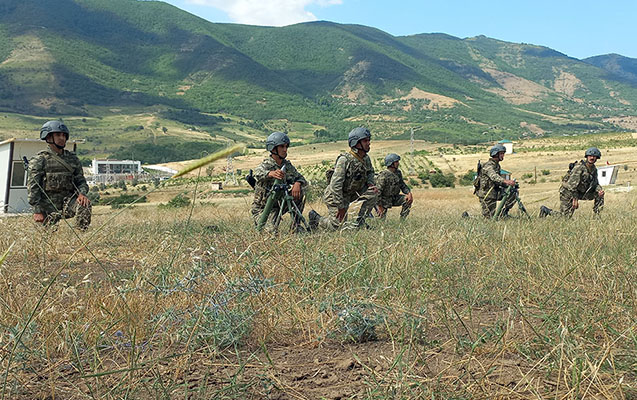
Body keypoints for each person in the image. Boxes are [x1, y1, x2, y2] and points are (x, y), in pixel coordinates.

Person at [309, 127, 379, 230]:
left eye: (369, 140)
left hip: (351, 194)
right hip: (335, 197)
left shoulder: (365, 158)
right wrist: (340, 207)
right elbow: (335, 186)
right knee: (338, 227)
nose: (369, 143)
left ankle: (360, 221)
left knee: (373, 192)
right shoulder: (344, 160)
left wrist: (370, 183)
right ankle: (316, 219)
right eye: (365, 141)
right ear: (356, 143)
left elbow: (370, 172)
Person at [27, 120, 91, 230]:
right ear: (48, 137)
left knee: (85, 205)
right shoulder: (40, 160)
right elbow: (33, 187)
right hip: (47, 206)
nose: (62, 138)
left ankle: (81, 233)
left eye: (64, 135)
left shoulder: (72, 159)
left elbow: (80, 180)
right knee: (47, 236)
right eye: (57, 135)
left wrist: (82, 194)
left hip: (68, 202)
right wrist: (37, 211)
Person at [251, 131, 307, 232]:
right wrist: (270, 174)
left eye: (286, 146)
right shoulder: (266, 165)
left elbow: (301, 178)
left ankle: (295, 225)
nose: (285, 150)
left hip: (279, 205)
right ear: (273, 148)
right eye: (282, 147)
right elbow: (257, 173)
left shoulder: (287, 166)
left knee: (301, 189)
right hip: (263, 209)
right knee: (271, 232)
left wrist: (297, 183)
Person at [541, 147, 604, 217]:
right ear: (587, 156)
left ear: (597, 158)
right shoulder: (579, 167)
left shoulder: (594, 169)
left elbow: (595, 184)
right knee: (565, 217)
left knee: (599, 194)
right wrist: (575, 199)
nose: (592, 158)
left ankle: (597, 215)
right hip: (568, 192)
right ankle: (546, 211)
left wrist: (599, 190)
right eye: (590, 156)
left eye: (594, 156)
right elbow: (572, 186)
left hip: (580, 192)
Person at [475, 144, 516, 218]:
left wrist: (507, 185)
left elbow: (497, 181)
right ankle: (468, 217)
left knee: (513, 192)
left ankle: (504, 213)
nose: (503, 156)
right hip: (487, 194)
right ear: (496, 154)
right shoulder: (488, 166)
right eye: (501, 153)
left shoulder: (496, 165)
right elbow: (494, 177)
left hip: (495, 192)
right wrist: (506, 181)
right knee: (489, 218)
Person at [376, 153, 413, 220]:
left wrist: (409, 193)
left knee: (407, 199)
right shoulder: (383, 175)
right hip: (384, 200)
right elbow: (378, 192)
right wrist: (379, 205)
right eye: (396, 162)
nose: (398, 163)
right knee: (381, 220)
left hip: (394, 198)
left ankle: (402, 221)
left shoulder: (398, 173)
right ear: (391, 164)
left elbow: (402, 185)